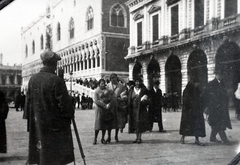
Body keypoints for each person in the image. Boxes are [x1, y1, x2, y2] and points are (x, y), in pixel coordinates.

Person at [23, 50, 75, 165]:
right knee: (55, 157)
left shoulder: (33, 79)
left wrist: (30, 122)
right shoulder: (56, 80)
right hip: (55, 127)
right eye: (55, 63)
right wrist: (70, 111)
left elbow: (28, 103)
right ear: (52, 63)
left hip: (37, 125)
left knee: (41, 154)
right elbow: (65, 107)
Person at [204, 67, 232, 144]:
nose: (221, 76)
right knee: (219, 123)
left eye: (222, 74)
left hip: (222, 108)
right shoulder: (211, 84)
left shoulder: (222, 83)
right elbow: (206, 97)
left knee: (217, 123)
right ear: (215, 75)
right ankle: (224, 139)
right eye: (219, 74)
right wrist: (207, 107)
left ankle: (212, 137)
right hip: (213, 108)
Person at [179, 78, 206, 146]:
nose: (198, 84)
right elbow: (186, 101)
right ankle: (182, 138)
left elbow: (201, 99)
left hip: (197, 111)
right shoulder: (187, 90)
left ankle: (197, 140)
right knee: (187, 126)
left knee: (197, 126)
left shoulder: (198, 90)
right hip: (188, 112)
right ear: (193, 83)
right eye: (197, 83)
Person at [106, 73, 127, 143]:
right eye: (112, 78)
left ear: (116, 78)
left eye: (114, 77)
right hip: (110, 106)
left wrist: (122, 98)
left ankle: (116, 136)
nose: (113, 79)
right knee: (109, 122)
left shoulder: (121, 86)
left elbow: (124, 94)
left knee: (117, 122)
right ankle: (108, 137)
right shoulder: (108, 86)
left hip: (118, 106)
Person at [128, 77, 150, 144]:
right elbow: (129, 98)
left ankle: (139, 138)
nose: (137, 83)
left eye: (139, 82)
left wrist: (145, 99)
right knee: (135, 123)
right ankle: (136, 137)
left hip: (141, 109)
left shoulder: (143, 90)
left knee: (139, 123)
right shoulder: (131, 90)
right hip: (133, 109)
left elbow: (148, 97)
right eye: (136, 81)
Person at [93, 79, 113, 145]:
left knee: (104, 125)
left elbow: (110, 98)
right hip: (99, 109)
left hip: (106, 110)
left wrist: (109, 103)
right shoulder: (97, 91)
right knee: (98, 124)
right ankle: (95, 138)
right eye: (101, 83)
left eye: (103, 83)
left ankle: (102, 138)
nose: (103, 84)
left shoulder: (107, 90)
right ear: (99, 84)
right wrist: (105, 105)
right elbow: (96, 101)